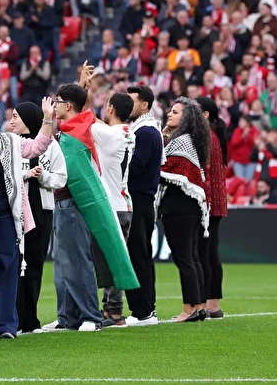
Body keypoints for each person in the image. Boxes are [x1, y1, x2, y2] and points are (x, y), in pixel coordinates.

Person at [44, 82, 137, 333]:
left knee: (77, 261)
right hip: (62, 200)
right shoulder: (70, 129)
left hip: (75, 200)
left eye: (57, 101)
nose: (54, 105)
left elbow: (113, 133)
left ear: (67, 105)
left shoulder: (87, 128)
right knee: (64, 264)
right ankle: (67, 317)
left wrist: (84, 90)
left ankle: (91, 316)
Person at [0, 98, 54, 338]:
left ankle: (6, 327)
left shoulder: (9, 140)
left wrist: (47, 118)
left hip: (5, 206)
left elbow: (38, 146)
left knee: (7, 263)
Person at [9, 102, 67, 334]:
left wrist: (42, 177)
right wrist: (25, 175)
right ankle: (11, 320)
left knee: (34, 266)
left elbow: (61, 178)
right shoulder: (9, 143)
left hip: (42, 210)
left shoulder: (51, 146)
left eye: (16, 117)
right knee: (12, 266)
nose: (11, 121)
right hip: (14, 211)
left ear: (27, 119)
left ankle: (30, 320)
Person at [157, 97, 211, 323]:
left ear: (186, 117)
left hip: (178, 207)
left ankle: (189, 309)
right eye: (170, 111)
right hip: (189, 206)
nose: (170, 114)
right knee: (192, 257)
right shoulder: (187, 139)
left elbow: (166, 170)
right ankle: (199, 305)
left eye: (175, 112)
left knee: (184, 259)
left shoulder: (182, 141)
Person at [90, 93, 136, 327]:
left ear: (110, 109)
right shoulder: (128, 133)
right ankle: (109, 310)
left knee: (112, 261)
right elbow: (97, 123)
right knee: (113, 258)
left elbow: (84, 117)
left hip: (112, 206)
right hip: (124, 203)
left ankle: (116, 313)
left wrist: (84, 88)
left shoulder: (107, 134)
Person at [124, 85, 165, 327]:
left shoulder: (146, 132)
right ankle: (143, 309)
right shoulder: (144, 130)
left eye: (132, 101)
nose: (129, 106)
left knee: (139, 255)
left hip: (139, 200)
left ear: (145, 105)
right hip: (140, 200)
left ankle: (144, 311)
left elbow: (135, 166)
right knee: (138, 255)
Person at [195, 97, 228, 319]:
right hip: (215, 201)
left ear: (205, 115)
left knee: (206, 254)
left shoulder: (206, 136)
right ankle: (213, 304)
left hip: (208, 201)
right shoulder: (214, 134)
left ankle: (210, 304)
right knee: (210, 252)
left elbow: (203, 171)